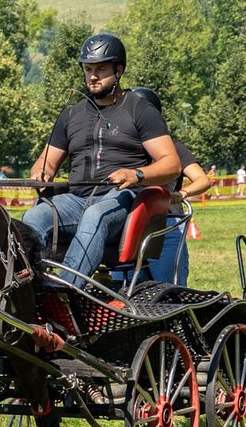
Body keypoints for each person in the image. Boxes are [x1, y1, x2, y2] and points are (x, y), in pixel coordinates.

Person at [21, 33, 180, 286]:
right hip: (74, 199)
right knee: (33, 218)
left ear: (119, 70)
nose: (92, 76)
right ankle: (31, 289)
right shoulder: (70, 115)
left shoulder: (140, 110)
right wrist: (41, 173)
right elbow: (46, 163)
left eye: (100, 69)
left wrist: (136, 174)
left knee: (96, 214)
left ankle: (65, 290)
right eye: (88, 69)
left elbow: (171, 164)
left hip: (122, 199)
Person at [127, 87, 210, 286]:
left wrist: (181, 193)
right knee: (124, 290)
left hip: (166, 227)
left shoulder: (172, 147)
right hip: (128, 228)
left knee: (170, 290)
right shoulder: (123, 148)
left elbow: (203, 180)